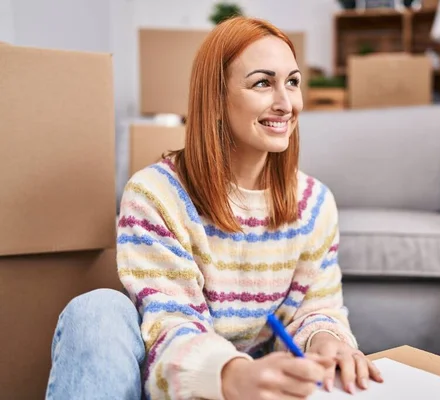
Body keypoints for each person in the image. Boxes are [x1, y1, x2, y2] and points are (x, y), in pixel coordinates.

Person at [45, 16, 383, 400]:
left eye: (292, 81)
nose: (286, 103)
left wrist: (326, 339)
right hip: (184, 385)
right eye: (262, 83)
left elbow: (318, 306)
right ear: (216, 99)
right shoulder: (156, 194)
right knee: (96, 309)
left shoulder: (315, 203)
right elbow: (170, 325)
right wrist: (230, 375)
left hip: (269, 390)